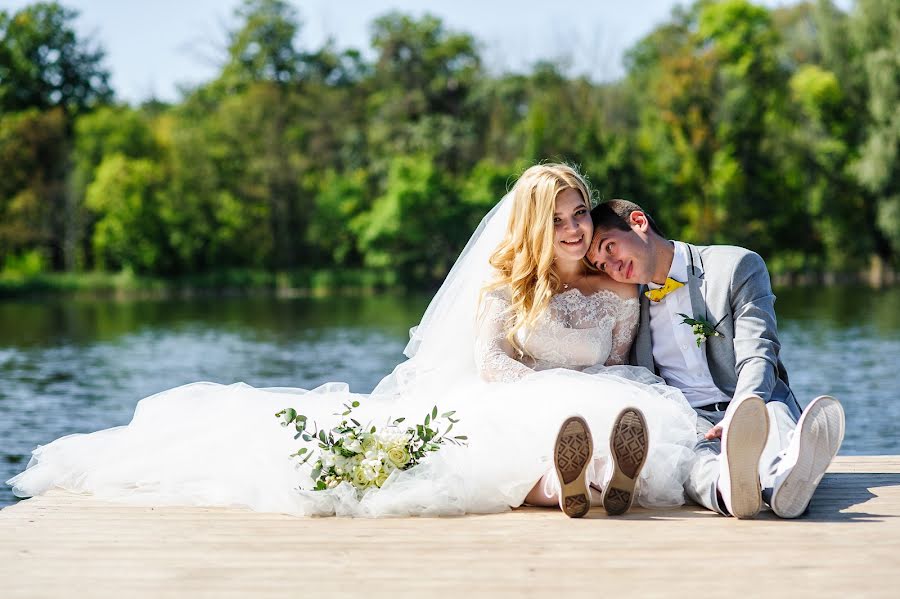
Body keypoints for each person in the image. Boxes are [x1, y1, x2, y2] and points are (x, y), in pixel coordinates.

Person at [8, 165, 698, 518]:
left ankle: (604, 476)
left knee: (615, 410)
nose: (577, 229)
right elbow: (491, 367)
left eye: (580, 213)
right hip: (513, 400)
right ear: (534, 227)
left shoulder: (619, 289)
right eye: (561, 219)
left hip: (593, 398)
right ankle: (571, 482)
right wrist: (556, 389)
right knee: (527, 436)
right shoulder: (502, 288)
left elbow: (617, 364)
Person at [587, 199, 845, 519]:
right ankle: (730, 491)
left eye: (609, 248)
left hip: (754, 402)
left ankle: (786, 480)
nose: (612, 267)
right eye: (601, 265)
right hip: (689, 419)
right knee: (688, 460)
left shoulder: (735, 266)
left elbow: (758, 354)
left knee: (773, 416)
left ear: (638, 222)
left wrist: (740, 410)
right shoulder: (628, 305)